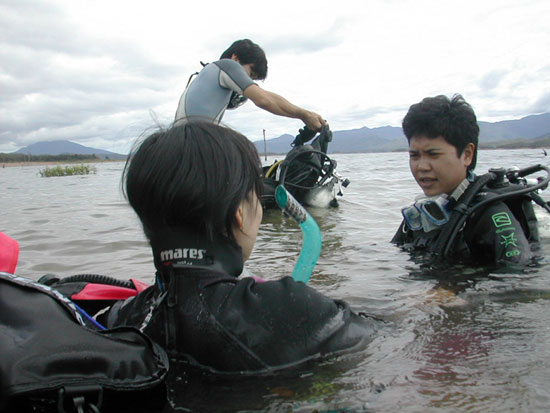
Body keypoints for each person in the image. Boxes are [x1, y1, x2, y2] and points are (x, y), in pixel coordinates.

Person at [107, 121, 378, 373]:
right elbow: (378, 341)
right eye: (257, 199)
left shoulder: (122, 317)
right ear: (238, 212)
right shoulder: (291, 308)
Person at [391, 94, 540, 266]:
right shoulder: (422, 213)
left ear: (467, 155)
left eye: (433, 154)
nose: (421, 167)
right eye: (414, 156)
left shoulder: (491, 215)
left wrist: (455, 290)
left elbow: (519, 280)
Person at [174, 39, 326, 131]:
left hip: (181, 143)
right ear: (236, 58)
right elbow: (264, 99)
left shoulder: (206, 74)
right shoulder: (227, 65)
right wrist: (304, 114)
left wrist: (303, 114)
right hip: (191, 147)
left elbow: (266, 95)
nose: (247, 80)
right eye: (249, 74)